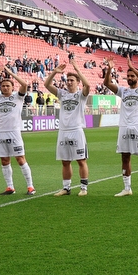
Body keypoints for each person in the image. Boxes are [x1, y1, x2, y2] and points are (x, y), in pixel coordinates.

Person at [0, 65, 35, 196]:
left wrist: (11, 73)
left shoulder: (18, 97)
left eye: (7, 86)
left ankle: (30, 186)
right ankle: (10, 187)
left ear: (12, 87)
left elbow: (25, 84)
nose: (5, 87)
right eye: (3, 85)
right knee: (4, 160)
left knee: (20, 159)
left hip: (14, 132)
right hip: (0, 132)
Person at [104, 56, 138, 198]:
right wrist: (109, 69)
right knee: (125, 157)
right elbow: (107, 83)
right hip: (124, 126)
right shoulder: (123, 91)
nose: (130, 77)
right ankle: (127, 188)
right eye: (129, 76)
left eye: (132, 75)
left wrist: (132, 67)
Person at [45, 53, 92, 197]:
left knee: (81, 160)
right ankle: (66, 188)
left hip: (76, 130)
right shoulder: (62, 94)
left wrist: (77, 69)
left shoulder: (81, 95)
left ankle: (84, 188)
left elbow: (88, 85)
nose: (69, 82)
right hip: (63, 131)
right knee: (65, 161)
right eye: (68, 80)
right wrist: (54, 72)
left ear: (77, 82)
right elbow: (47, 85)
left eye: (72, 80)